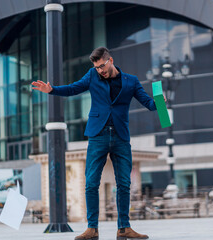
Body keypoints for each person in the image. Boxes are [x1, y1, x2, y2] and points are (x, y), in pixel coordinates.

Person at [32, 47, 161, 240]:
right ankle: (92, 228)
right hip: (97, 135)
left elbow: (148, 103)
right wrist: (52, 90)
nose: (100, 70)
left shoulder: (131, 81)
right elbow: (74, 88)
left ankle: (124, 228)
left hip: (121, 136)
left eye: (102, 66)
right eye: (97, 67)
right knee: (91, 183)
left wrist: (160, 102)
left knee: (124, 184)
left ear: (110, 60)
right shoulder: (92, 75)